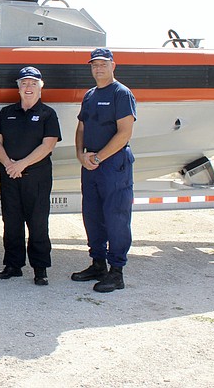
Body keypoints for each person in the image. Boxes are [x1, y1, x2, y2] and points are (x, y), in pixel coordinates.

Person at [72, 48, 136, 293]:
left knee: (116, 216)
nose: (98, 69)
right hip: (90, 163)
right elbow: (81, 128)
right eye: (94, 65)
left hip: (113, 164)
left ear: (113, 66)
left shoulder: (121, 94)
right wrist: (80, 155)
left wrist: (98, 157)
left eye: (102, 64)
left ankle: (116, 272)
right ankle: (97, 263)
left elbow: (124, 133)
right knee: (92, 215)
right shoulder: (89, 95)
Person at [0, 66, 61, 286]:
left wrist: (21, 164)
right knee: (11, 222)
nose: (28, 87)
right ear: (18, 87)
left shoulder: (48, 114)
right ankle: (13, 265)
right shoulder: (6, 113)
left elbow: (48, 145)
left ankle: (40, 269)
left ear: (41, 86)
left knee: (38, 223)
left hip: (36, 177)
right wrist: (8, 164)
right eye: (24, 83)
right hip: (9, 175)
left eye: (32, 83)